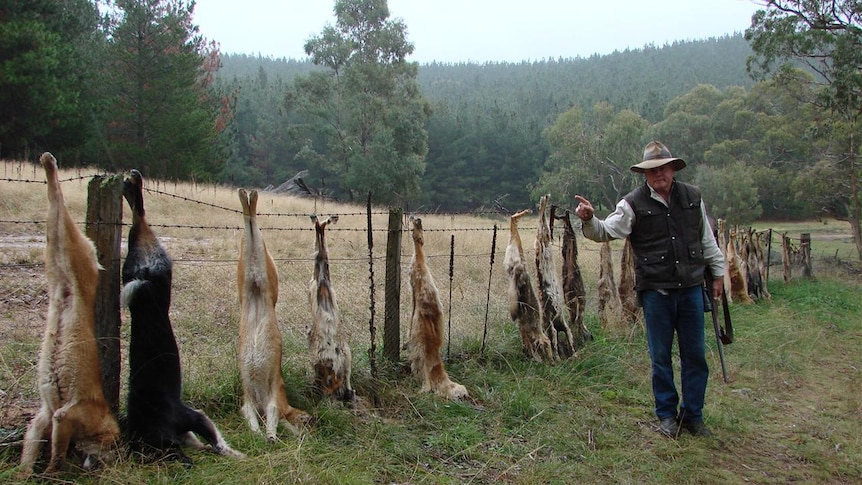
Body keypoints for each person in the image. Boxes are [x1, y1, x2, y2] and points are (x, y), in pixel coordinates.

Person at [574, 140, 725, 439]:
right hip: (657, 292)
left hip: (692, 288)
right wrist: (590, 219)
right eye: (652, 170)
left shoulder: (693, 197)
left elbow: (706, 239)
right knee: (660, 357)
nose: (659, 174)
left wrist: (718, 272)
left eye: (664, 168)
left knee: (695, 356)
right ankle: (667, 416)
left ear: (673, 169)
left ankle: (693, 416)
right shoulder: (632, 203)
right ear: (645, 174)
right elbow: (605, 231)